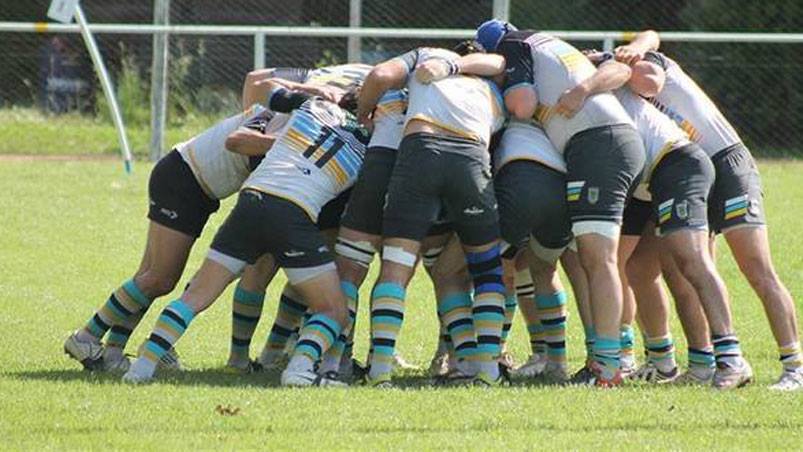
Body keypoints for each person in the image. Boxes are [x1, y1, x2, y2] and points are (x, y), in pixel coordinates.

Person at [62, 67, 319, 373]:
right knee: (159, 278)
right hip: (183, 180)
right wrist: (292, 145)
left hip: (191, 184)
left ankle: (115, 350)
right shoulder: (293, 124)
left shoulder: (293, 117)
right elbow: (238, 140)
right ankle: (86, 336)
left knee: (151, 277)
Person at [123, 78, 368, 386]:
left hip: (250, 202)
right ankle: (299, 370)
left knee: (197, 294)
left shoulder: (312, 106)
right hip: (293, 213)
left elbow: (270, 92)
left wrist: (318, 91)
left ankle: (141, 368)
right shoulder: (374, 148)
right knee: (333, 309)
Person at [617, 31, 802, 390]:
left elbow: (651, 47)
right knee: (671, 268)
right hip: (687, 172)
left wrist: (630, 53)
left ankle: (793, 366)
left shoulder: (648, 65)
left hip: (727, 165)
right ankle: (703, 364)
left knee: (757, 269)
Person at [474, 19, 646, 386]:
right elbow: (618, 67)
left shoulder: (514, 45)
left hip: (597, 144)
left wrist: (502, 89)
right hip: (609, 141)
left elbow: (522, 105)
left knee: (598, 260)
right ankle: (607, 360)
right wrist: (584, 87)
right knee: (585, 260)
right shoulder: (554, 45)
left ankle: (609, 367)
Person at [356, 43, 508, 386]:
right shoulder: (494, 91)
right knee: (486, 271)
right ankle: (487, 372)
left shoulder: (427, 61)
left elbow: (380, 75)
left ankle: (379, 371)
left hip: (420, 151)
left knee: (395, 267)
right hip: (470, 157)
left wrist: (363, 113)